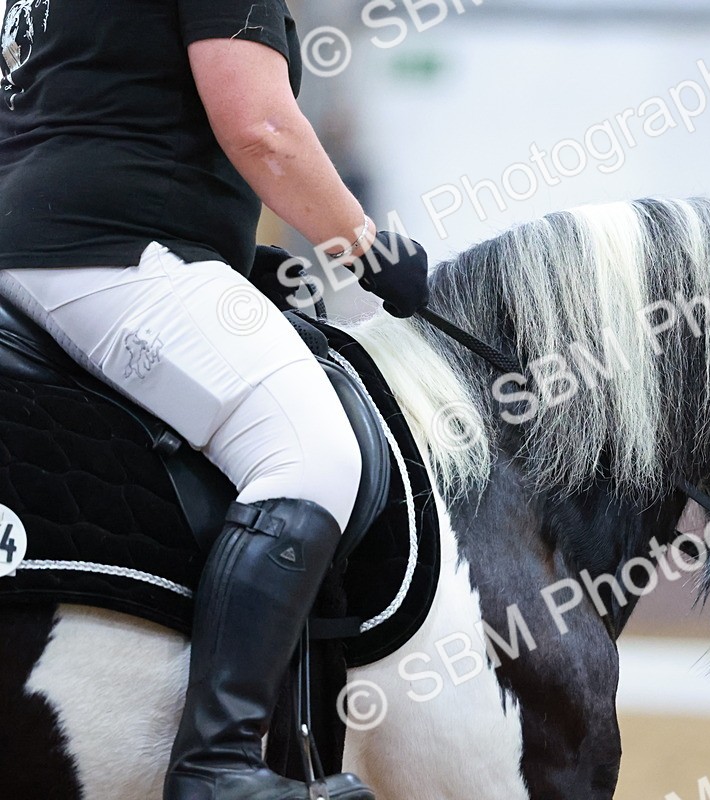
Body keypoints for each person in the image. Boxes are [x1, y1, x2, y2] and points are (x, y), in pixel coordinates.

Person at [0, 2, 426, 798]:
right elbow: (261, 126)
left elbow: (80, 111)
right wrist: (364, 245)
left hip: (34, 245)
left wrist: (218, 245)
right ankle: (218, 767)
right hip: (109, 254)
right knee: (310, 451)